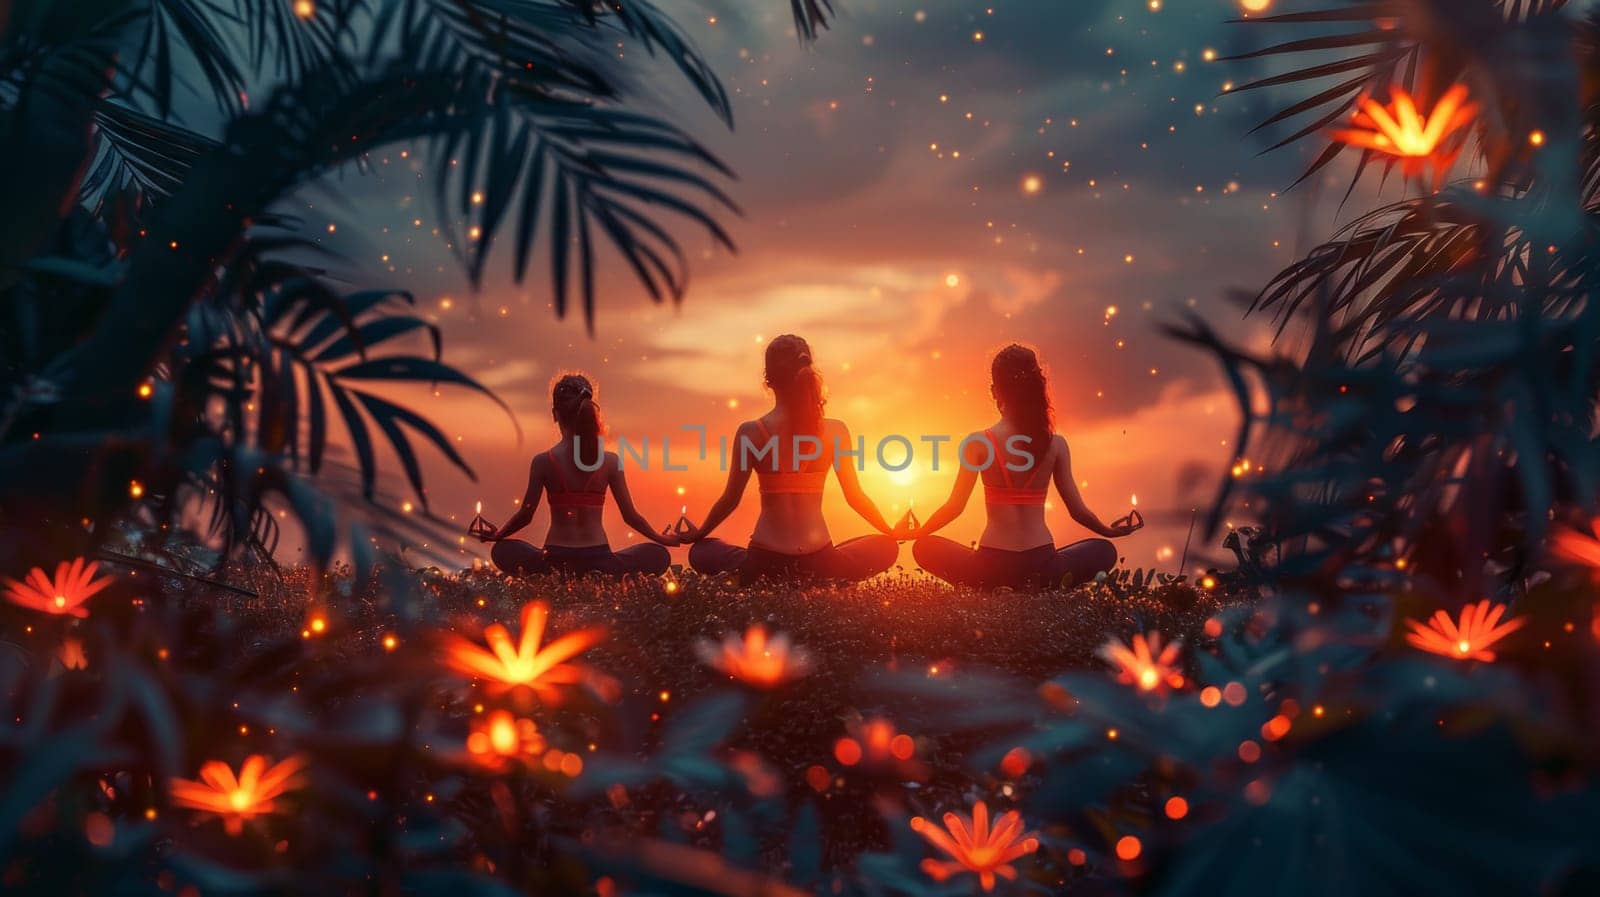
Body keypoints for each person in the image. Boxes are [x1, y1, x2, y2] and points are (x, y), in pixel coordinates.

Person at [909, 344, 1140, 588]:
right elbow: (1078, 512)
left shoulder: (977, 443)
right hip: (1042, 567)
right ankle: (1039, 584)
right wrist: (1108, 531)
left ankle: (992, 586)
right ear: (1034, 387)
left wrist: (917, 532)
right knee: (1104, 550)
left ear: (994, 391)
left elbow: (954, 507)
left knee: (924, 546)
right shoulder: (1056, 444)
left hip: (989, 569)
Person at [680, 334, 899, 583]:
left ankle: (766, 579)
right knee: (885, 545)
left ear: (768, 380)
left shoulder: (750, 433)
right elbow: (855, 497)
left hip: (763, 564)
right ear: (807, 371)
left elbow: (730, 500)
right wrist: (890, 530)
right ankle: (828, 578)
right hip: (822, 563)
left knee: (702, 551)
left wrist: (699, 532)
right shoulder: (835, 431)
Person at [477, 374, 677, 576]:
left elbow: (525, 515)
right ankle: (600, 578)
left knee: (503, 550)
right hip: (600, 561)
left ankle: (556, 577)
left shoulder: (543, 461)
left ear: (555, 414)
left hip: (554, 560)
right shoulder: (610, 461)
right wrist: (662, 539)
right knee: (658, 554)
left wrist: (498, 535)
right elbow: (631, 517)